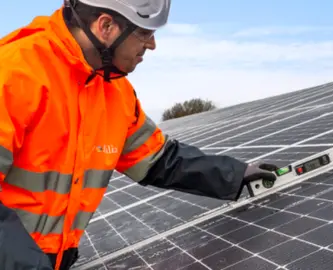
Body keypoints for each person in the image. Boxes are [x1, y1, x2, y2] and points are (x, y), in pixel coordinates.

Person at [0, 1, 279, 269]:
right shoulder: (15, 72)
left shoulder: (114, 92)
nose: (152, 45)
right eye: (144, 33)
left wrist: (235, 174)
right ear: (105, 26)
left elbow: (158, 159)